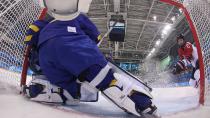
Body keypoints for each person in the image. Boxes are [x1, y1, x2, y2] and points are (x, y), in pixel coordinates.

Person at [23, 0, 157, 116]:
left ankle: (54, 91)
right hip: (72, 47)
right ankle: (143, 104)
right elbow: (96, 37)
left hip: (46, 60)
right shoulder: (77, 17)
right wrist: (92, 53)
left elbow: (29, 40)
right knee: (104, 78)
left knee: (69, 85)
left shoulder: (41, 23)